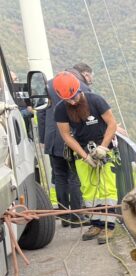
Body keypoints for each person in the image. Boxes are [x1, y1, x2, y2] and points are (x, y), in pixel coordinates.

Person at [53, 70, 119, 243]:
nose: (73, 101)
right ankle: (96, 223)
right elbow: (66, 135)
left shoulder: (95, 100)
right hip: (82, 151)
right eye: (69, 99)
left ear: (78, 90)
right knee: (89, 189)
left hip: (103, 147)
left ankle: (109, 226)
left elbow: (112, 124)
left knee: (107, 188)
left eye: (74, 97)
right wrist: (85, 156)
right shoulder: (61, 109)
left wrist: (103, 148)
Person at [37, 66, 92, 227]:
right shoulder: (79, 87)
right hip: (70, 137)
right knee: (74, 176)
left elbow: (41, 112)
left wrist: (43, 137)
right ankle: (76, 217)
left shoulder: (47, 85)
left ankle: (64, 217)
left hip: (52, 138)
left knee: (60, 176)